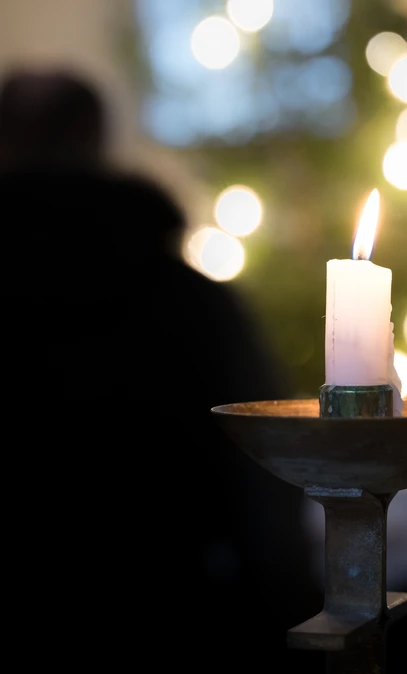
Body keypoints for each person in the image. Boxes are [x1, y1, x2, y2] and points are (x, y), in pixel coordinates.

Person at [0, 70, 319, 665]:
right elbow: (263, 472)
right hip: (181, 618)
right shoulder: (190, 301)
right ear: (96, 142)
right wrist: (291, 615)